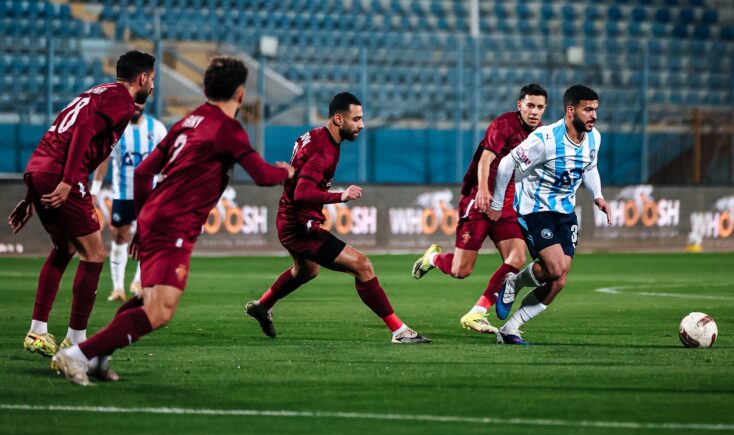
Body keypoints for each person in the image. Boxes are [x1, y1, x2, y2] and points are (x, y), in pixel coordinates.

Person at [51, 56, 294, 385]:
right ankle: (76, 356)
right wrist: (287, 172)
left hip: (155, 216)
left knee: (147, 299)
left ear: (205, 90)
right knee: (160, 310)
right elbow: (263, 176)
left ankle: (98, 358)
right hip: (174, 223)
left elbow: (142, 173)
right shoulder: (227, 129)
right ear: (240, 93)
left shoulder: (188, 121)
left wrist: (143, 222)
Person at [245, 92, 431, 344]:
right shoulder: (323, 151)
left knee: (306, 271)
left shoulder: (314, 135)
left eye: (361, 118)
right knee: (362, 265)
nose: (361, 125)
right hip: (300, 227)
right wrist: (341, 195)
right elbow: (302, 193)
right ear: (338, 119)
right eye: (356, 119)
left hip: (288, 218)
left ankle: (262, 306)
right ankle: (399, 331)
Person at [9, 50, 156, 358]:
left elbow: (58, 133)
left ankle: (38, 331)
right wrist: (67, 180)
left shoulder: (95, 92)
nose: (153, 86)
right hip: (61, 174)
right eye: (152, 79)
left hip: (40, 168)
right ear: (142, 78)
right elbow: (84, 131)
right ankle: (76, 341)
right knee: (94, 253)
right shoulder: (122, 101)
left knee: (64, 248)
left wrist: (32, 192)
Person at [412, 84, 548, 335]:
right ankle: (432, 258)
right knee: (461, 271)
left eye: (539, 107)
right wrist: (484, 190)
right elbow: (486, 159)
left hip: (506, 205)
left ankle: (477, 312)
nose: (534, 111)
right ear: (519, 105)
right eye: (530, 105)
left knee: (517, 257)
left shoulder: (542, 134)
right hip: (479, 201)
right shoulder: (503, 125)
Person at [488, 85, 612, 345]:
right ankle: (512, 285)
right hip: (535, 209)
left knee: (558, 280)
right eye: (588, 110)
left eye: (595, 110)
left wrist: (598, 195)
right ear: (570, 111)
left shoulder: (594, 138)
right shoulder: (545, 139)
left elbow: (590, 166)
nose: (594, 115)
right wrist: (497, 203)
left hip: (565, 212)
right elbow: (507, 163)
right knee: (555, 267)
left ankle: (510, 328)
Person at [91, 102, 167, 302]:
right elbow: (104, 160)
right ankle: (118, 288)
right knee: (120, 238)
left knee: (149, 239)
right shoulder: (117, 130)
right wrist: (95, 190)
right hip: (123, 194)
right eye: (134, 103)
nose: (137, 107)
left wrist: (164, 187)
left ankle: (138, 281)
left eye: (141, 103)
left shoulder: (157, 128)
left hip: (150, 195)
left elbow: (167, 161)